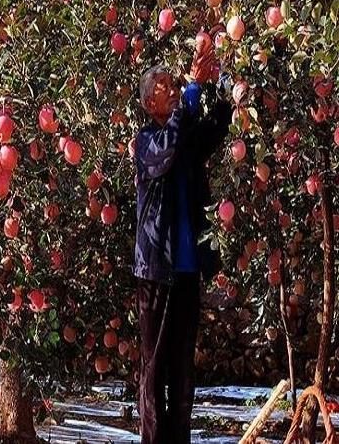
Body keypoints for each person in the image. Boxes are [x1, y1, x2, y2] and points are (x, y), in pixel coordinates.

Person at [134, 41, 233, 444]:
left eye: (174, 85)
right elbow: (170, 146)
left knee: (183, 374)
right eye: (164, 87)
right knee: (154, 373)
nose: (172, 90)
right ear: (147, 102)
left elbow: (211, 131)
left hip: (188, 273)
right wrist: (192, 89)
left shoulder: (182, 134)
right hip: (156, 271)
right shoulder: (146, 142)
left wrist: (223, 89)